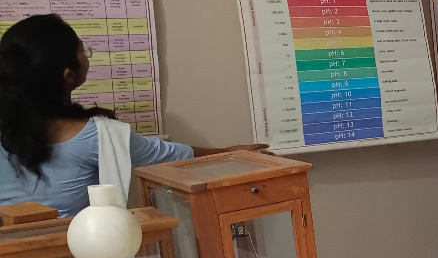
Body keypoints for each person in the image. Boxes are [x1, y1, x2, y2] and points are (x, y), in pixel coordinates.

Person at [0, 14, 261, 216]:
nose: (86, 56)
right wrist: (232, 153)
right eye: (82, 51)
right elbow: (171, 155)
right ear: (68, 74)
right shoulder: (95, 137)